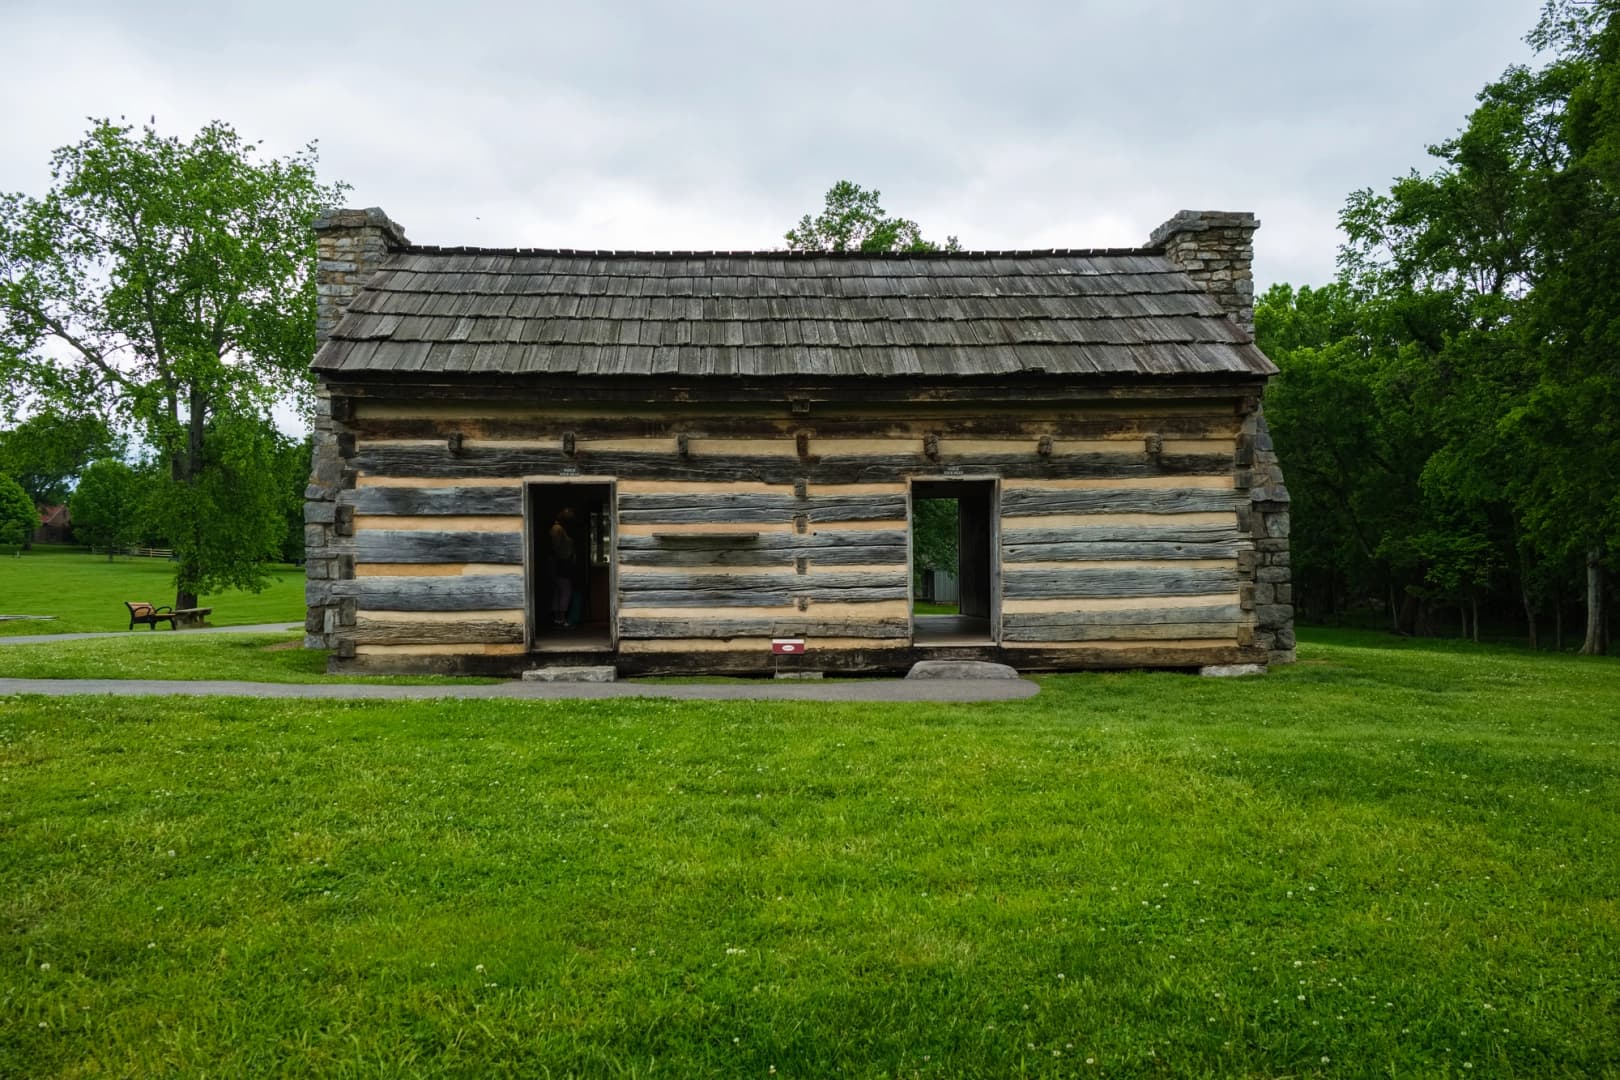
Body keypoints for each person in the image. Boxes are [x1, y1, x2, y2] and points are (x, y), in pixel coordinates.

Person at [549, 507, 578, 627]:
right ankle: (562, 618)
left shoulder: (558, 529)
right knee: (565, 590)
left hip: (559, 562)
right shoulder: (557, 529)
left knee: (558, 591)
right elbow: (555, 547)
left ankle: (557, 618)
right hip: (560, 563)